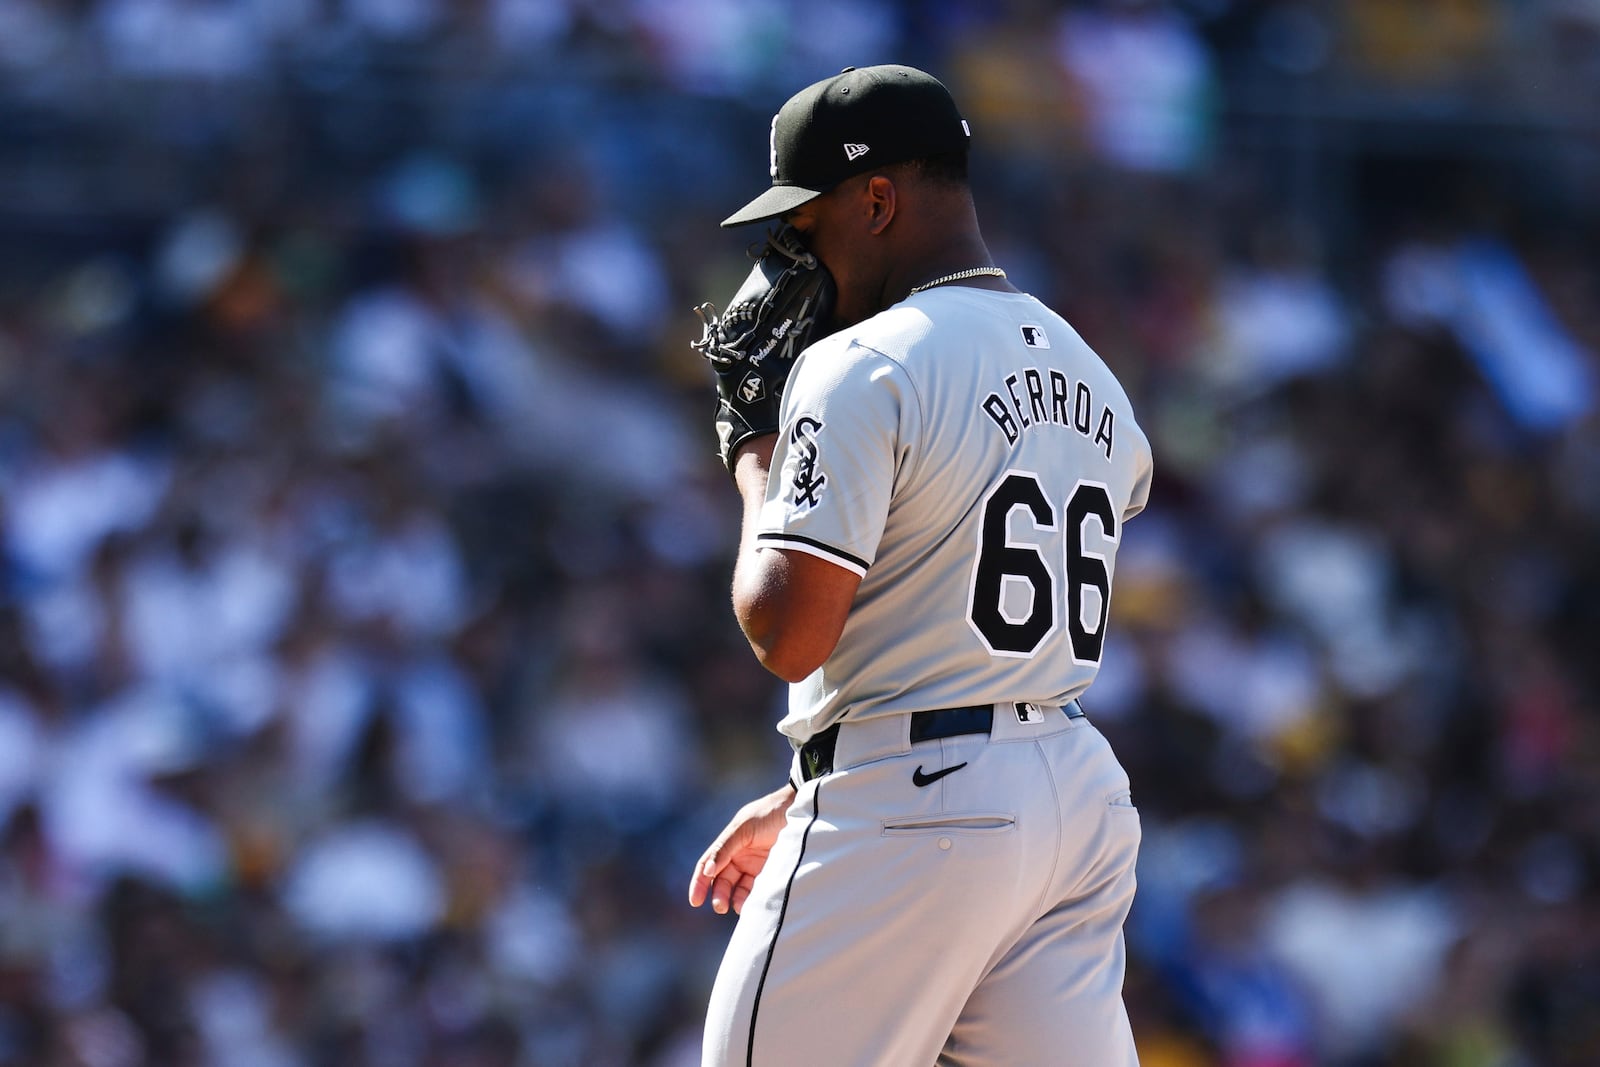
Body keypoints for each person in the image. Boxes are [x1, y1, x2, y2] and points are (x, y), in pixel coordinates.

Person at [687, 64, 1154, 1067]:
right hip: (1067, 797)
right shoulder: (1090, 371)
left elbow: (787, 632)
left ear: (878, 198)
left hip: (918, 799)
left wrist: (754, 454)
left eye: (804, 222)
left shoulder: (864, 361)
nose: (793, 254)